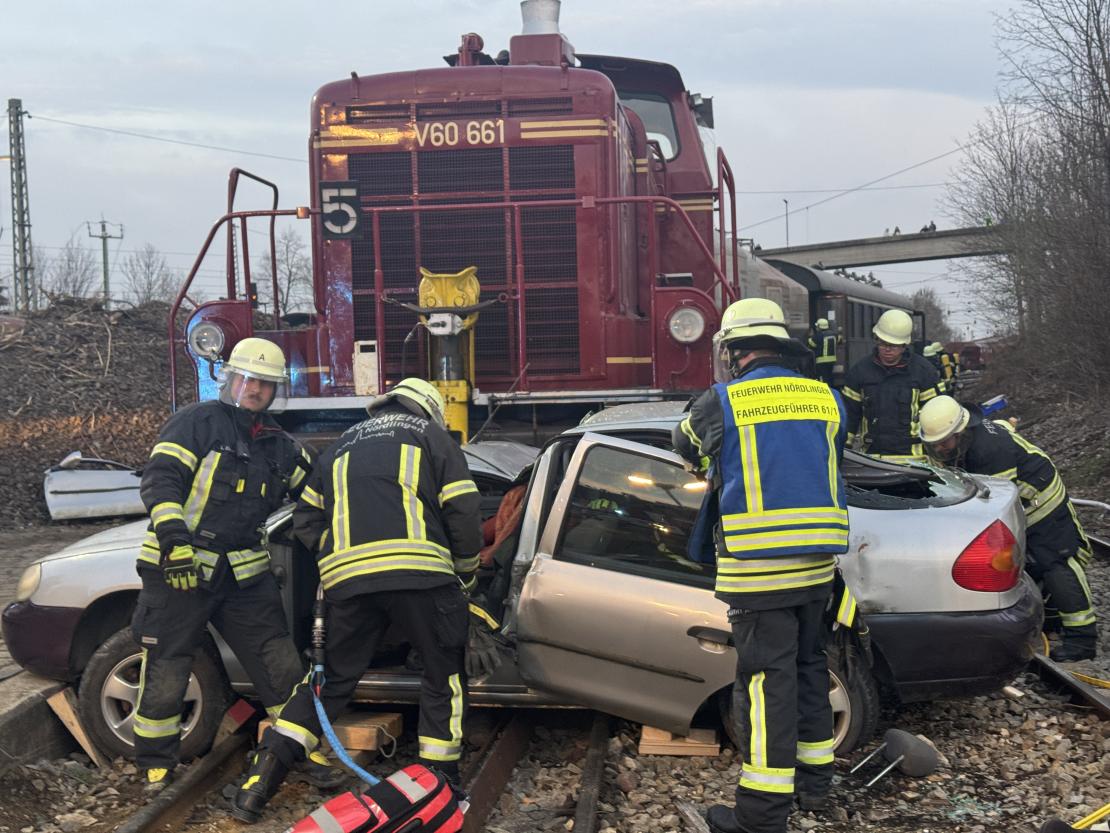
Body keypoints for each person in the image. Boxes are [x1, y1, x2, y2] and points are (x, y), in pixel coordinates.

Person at [232, 378, 483, 824]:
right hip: (421, 576)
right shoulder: (431, 436)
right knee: (442, 672)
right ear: (429, 410)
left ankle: (258, 784)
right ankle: (439, 784)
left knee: (327, 682)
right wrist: (465, 574)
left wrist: (338, 556)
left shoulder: (340, 445)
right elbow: (462, 509)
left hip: (348, 584)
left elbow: (306, 518)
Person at [132, 338, 342, 791]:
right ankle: (155, 763)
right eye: (248, 379)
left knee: (279, 663)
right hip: (180, 570)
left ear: (275, 390)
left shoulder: (280, 446)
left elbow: (320, 490)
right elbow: (161, 480)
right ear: (229, 378)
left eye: (265, 383)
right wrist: (174, 542)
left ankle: (299, 747)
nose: (256, 389)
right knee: (168, 664)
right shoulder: (196, 423)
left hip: (244, 576)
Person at [673, 298, 849, 833]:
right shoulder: (826, 398)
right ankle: (816, 787)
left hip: (759, 569)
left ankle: (761, 815)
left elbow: (683, 442)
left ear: (733, 351)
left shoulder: (722, 401)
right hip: (817, 569)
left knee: (765, 687)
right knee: (809, 670)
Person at [919, 396, 1097, 662]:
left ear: (960, 431)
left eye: (944, 443)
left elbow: (995, 506)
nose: (940, 449)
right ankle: (1053, 621)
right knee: (1030, 565)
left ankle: (1082, 639)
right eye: (934, 444)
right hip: (1019, 502)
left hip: (1041, 503)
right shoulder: (961, 443)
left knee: (1055, 563)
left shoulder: (990, 451)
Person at [841, 310, 944, 462]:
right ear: (876, 339)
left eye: (893, 345)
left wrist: (939, 456)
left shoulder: (923, 372)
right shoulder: (860, 372)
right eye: (883, 343)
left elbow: (937, 416)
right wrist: (842, 451)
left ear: (904, 345)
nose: (887, 349)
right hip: (873, 461)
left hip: (914, 463)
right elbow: (849, 416)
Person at [805, 318, 839, 385]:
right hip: (832, 361)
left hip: (821, 361)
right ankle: (831, 388)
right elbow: (838, 341)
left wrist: (810, 336)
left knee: (822, 378)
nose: (816, 328)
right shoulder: (834, 334)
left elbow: (811, 344)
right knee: (829, 377)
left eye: (817, 326)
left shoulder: (818, 335)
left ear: (819, 326)